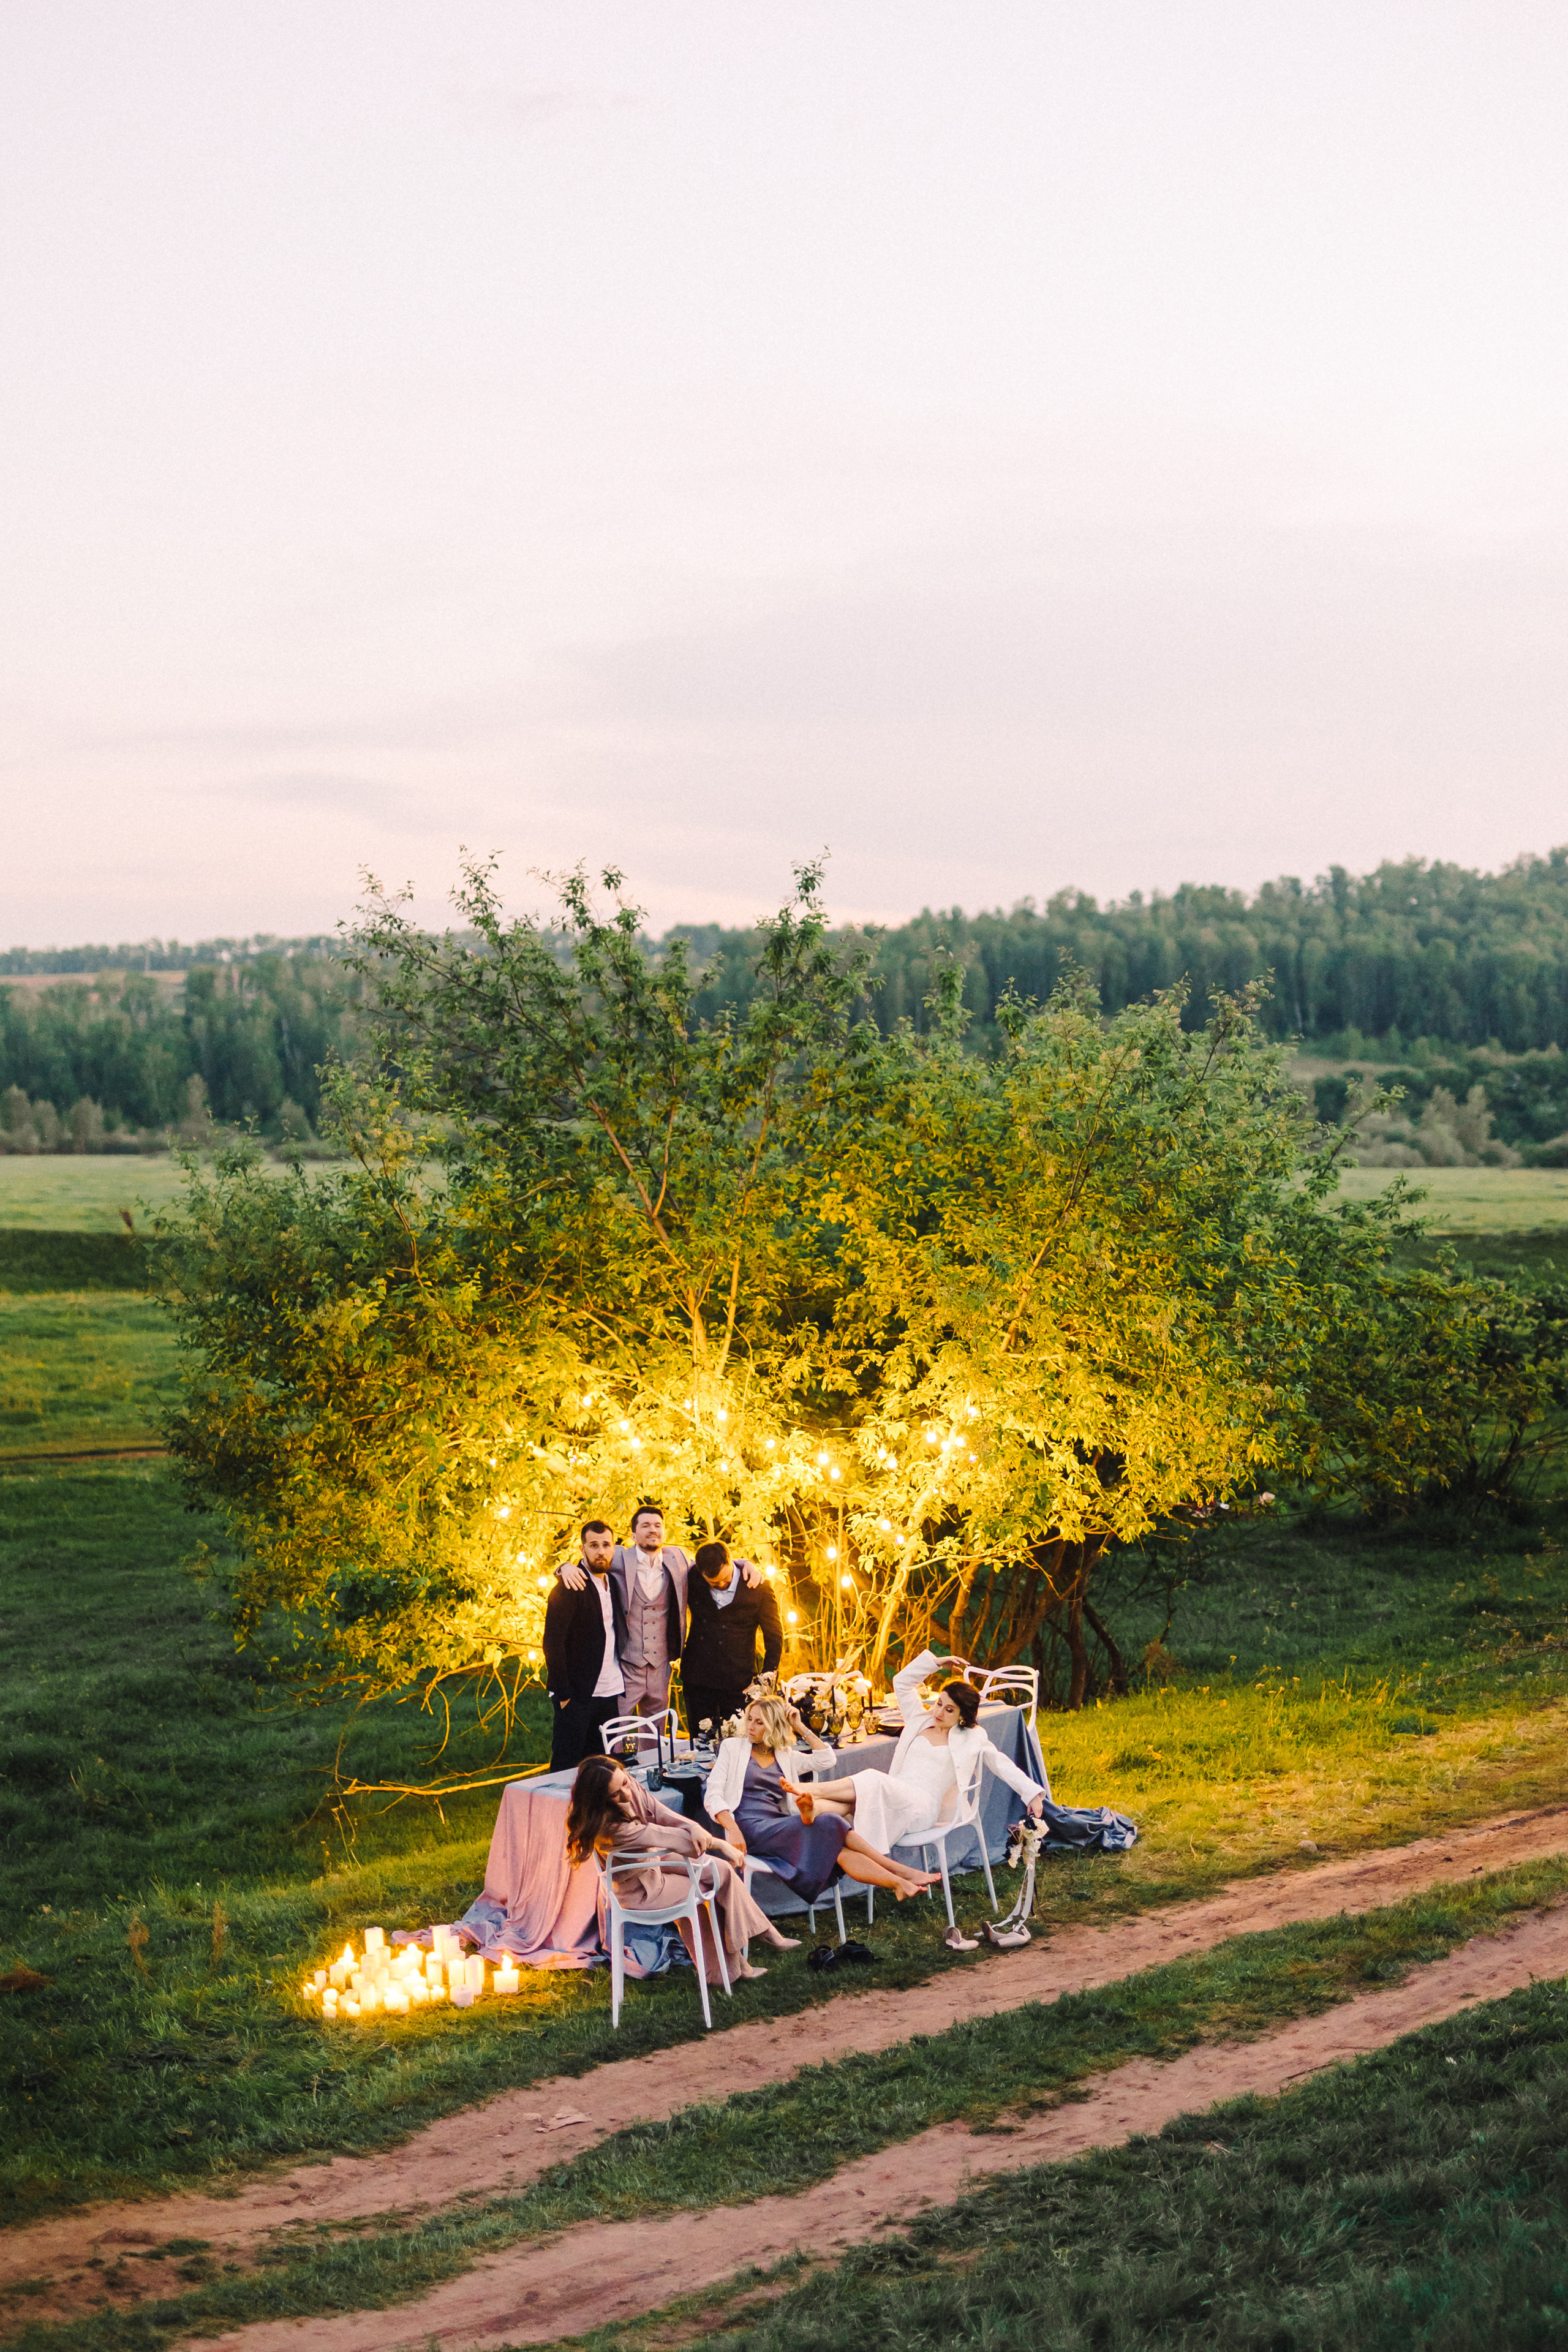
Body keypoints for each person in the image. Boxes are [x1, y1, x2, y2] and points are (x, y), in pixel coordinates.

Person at [565, 1753, 799, 1982]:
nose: (627, 1793)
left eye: (625, 1783)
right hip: (640, 1890)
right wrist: (722, 1844)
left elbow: (661, 1814)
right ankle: (732, 1967)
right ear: (601, 1800)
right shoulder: (612, 1828)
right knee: (709, 1887)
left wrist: (695, 1827)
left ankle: (761, 1937)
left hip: (654, 1864)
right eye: (616, 1795)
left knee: (720, 1870)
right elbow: (669, 1838)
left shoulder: (625, 1781)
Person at [803, 1649, 1047, 1855]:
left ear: (963, 1716)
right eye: (939, 1703)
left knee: (873, 1779)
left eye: (949, 1710)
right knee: (858, 1802)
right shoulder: (920, 1721)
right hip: (894, 1795)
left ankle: (811, 1789)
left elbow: (1001, 1764)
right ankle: (813, 1806)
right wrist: (936, 1663)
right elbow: (902, 1682)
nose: (939, 1712)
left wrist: (1032, 1793)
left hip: (923, 1809)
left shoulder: (971, 1738)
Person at [704, 1694, 938, 1904]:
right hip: (748, 1829)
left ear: (775, 1726)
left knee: (839, 1849)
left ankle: (898, 1883)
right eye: (750, 1720)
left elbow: (827, 1759)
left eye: (760, 1722)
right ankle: (901, 1872)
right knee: (830, 1823)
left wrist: (799, 1725)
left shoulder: (786, 1756)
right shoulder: (733, 1748)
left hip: (778, 1823)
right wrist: (732, 1828)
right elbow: (713, 1793)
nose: (751, 1727)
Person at [555, 1503, 766, 1719]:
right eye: (645, 1526)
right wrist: (564, 1568)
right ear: (633, 1535)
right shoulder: (617, 1556)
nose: (653, 1530)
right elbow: (589, 1562)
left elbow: (709, 1561)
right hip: (628, 1666)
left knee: (657, 1733)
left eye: (657, 1525)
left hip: (661, 1666)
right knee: (618, 1730)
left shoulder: (677, 1558)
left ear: (664, 1531)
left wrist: (744, 1563)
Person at [543, 1521, 627, 1771]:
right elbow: (553, 1642)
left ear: (614, 1548)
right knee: (566, 1766)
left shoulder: (614, 1582)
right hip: (578, 1694)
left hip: (609, 1693)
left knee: (603, 1769)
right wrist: (565, 1693)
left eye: (606, 1545)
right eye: (593, 1546)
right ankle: (560, 1812)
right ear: (582, 1550)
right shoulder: (569, 1587)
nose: (600, 1551)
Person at [682, 1539, 784, 1736]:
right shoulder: (693, 1577)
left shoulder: (759, 1588)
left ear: (731, 1562)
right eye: (713, 1583)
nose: (720, 1585)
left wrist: (764, 1682)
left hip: (740, 1682)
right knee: (700, 1741)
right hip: (698, 1680)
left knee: (742, 1741)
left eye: (725, 1579)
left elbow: (775, 1636)